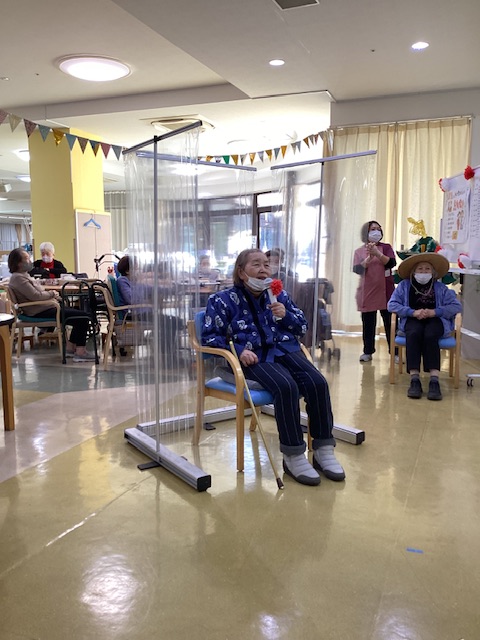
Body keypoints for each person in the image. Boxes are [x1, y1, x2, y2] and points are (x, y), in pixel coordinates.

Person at [202, 248, 345, 486]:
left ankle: (323, 450)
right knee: (286, 387)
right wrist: (239, 350)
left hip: (284, 349)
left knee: (318, 383)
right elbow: (209, 336)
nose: (263, 269)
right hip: (254, 355)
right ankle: (293, 455)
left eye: (266, 265)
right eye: (256, 264)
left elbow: (302, 326)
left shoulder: (278, 295)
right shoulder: (221, 300)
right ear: (241, 272)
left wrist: (286, 314)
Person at [387, 252, 462, 401]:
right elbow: (392, 305)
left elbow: (456, 306)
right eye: (420, 269)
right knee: (414, 333)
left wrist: (436, 312)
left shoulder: (440, 288)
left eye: (427, 269)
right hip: (412, 319)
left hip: (435, 319)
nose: (423, 272)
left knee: (430, 334)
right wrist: (412, 312)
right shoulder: (404, 286)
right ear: (413, 272)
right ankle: (414, 379)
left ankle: (434, 380)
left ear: (433, 272)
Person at [8, 248, 95, 362]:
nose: (30, 261)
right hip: (39, 311)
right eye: (27, 259)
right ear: (18, 263)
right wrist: (52, 294)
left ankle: (71, 347)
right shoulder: (18, 278)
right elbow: (36, 296)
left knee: (79, 314)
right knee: (82, 317)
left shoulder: (23, 275)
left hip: (44, 307)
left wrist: (50, 294)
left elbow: (38, 291)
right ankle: (80, 352)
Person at [353, 220, 397, 362]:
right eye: (373, 229)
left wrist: (377, 253)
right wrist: (368, 258)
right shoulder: (359, 251)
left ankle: (395, 352)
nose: (376, 231)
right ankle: (368, 352)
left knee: (390, 323)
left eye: (378, 229)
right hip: (367, 291)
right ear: (366, 232)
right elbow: (357, 269)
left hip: (386, 290)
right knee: (368, 324)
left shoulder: (386, 247)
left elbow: (391, 263)